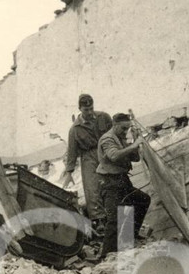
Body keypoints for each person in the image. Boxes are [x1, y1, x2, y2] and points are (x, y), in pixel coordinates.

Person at [96, 113, 151, 257]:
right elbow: (114, 156)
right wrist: (133, 145)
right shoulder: (107, 139)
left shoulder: (121, 137)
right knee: (114, 219)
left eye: (127, 128)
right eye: (123, 128)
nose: (125, 131)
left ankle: (129, 239)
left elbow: (135, 158)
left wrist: (135, 141)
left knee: (142, 200)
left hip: (122, 180)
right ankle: (105, 256)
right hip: (109, 182)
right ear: (114, 125)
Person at [63, 93, 112, 232]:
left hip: (105, 153)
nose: (90, 112)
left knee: (113, 183)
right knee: (92, 188)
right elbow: (72, 152)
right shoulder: (74, 129)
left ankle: (116, 217)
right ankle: (99, 221)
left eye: (91, 108)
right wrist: (69, 173)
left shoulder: (104, 117)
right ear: (80, 109)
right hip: (88, 157)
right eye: (86, 110)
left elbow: (115, 135)